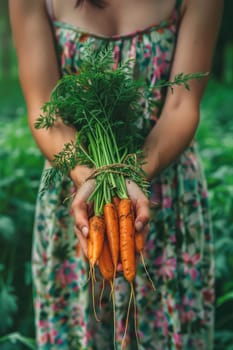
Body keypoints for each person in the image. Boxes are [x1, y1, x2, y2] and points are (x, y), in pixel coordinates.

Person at [9, 0, 223, 349]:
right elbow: (43, 106)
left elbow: (182, 105)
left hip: (163, 192)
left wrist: (132, 174)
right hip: (78, 202)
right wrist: (88, 175)